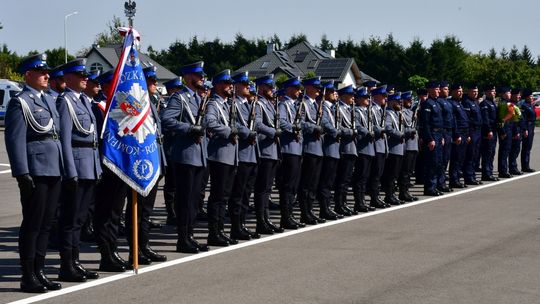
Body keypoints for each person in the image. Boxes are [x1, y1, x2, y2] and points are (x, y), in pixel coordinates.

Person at [5, 54, 63, 292]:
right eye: (41, 72)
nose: (47, 75)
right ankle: (28, 274)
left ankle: (40, 270)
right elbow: (15, 140)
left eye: (47, 72)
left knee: (47, 224)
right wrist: (21, 173)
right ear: (28, 75)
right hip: (35, 170)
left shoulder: (49, 100)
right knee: (33, 224)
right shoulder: (20, 102)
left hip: (53, 168)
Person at [55, 59, 101, 282]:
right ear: (68, 78)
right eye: (80, 76)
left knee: (80, 219)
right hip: (76, 166)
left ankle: (76, 262)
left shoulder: (84, 101)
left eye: (86, 76)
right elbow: (64, 140)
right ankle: (67, 265)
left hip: (89, 166)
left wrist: (96, 168)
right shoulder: (65, 102)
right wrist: (70, 171)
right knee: (71, 219)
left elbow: (92, 138)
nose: (85, 79)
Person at [161, 61, 209, 253]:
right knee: (185, 200)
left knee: (195, 199)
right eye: (199, 76)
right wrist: (189, 128)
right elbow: (167, 120)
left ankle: (190, 235)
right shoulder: (179, 98)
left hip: (199, 155)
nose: (202, 79)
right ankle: (183, 239)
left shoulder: (198, 98)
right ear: (189, 78)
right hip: (185, 156)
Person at [124, 65, 168, 264]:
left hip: (153, 160)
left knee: (146, 210)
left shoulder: (150, 103)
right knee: (137, 209)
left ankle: (144, 245)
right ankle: (135, 249)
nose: (154, 84)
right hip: (139, 162)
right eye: (150, 81)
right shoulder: (135, 104)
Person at [204, 69, 239, 246]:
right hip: (219, 156)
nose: (230, 87)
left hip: (230, 156)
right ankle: (214, 232)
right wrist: (228, 131)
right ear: (218, 85)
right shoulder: (214, 104)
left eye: (231, 84)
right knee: (218, 196)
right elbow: (209, 122)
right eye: (227, 84)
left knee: (225, 196)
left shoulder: (227, 104)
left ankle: (221, 230)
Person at [228, 73, 261, 239]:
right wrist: (248, 133)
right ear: (236, 86)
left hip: (251, 154)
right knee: (238, 193)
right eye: (244, 83)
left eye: (248, 83)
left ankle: (242, 224)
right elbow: (234, 124)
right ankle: (235, 226)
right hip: (240, 154)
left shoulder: (248, 105)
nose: (248, 86)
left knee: (246, 193)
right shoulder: (232, 104)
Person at [253, 74, 285, 234]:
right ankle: (261, 221)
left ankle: (266, 219)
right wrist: (273, 132)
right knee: (262, 189)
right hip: (264, 150)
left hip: (272, 150)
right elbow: (257, 124)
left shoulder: (271, 104)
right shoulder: (258, 104)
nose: (273, 90)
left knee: (267, 190)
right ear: (262, 88)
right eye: (270, 87)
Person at [297, 77, 326, 225]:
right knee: (307, 183)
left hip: (318, 147)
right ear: (308, 87)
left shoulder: (316, 104)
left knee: (313, 183)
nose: (319, 90)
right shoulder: (303, 103)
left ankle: (310, 210)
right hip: (309, 147)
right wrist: (314, 128)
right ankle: (304, 212)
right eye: (316, 87)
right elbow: (300, 122)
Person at [278, 77, 306, 227]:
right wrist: (293, 128)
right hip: (288, 149)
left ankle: (290, 214)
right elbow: (281, 122)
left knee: (293, 185)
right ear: (289, 89)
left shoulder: (295, 105)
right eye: (296, 88)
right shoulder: (284, 105)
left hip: (296, 149)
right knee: (288, 185)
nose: (299, 91)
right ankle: (286, 217)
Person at [317, 81, 345, 218]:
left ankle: (328, 207)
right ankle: (324, 208)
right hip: (327, 148)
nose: (335, 94)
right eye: (333, 92)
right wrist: (336, 132)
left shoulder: (334, 108)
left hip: (335, 148)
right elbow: (325, 123)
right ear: (326, 93)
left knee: (330, 181)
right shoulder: (322, 107)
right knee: (325, 181)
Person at [333, 85, 359, 215]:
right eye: (351, 95)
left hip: (351, 148)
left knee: (347, 179)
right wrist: (350, 132)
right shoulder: (338, 109)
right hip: (344, 147)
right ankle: (339, 204)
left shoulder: (350, 109)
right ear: (344, 96)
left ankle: (344, 203)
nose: (353, 98)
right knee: (342, 179)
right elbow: (338, 127)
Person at [351, 87, 377, 211]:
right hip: (362, 147)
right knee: (360, 177)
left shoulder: (368, 111)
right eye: (366, 98)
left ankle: (362, 201)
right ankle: (359, 202)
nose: (368, 100)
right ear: (360, 99)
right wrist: (367, 132)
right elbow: (357, 125)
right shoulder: (356, 111)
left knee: (365, 176)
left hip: (369, 147)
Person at [418, 81, 444, 196]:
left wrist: (441, 136)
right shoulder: (427, 104)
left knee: (438, 162)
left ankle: (434, 186)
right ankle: (429, 187)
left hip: (438, 135)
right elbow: (426, 124)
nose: (439, 90)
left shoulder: (436, 103)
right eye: (437, 89)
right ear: (430, 90)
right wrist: (429, 139)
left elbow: (440, 122)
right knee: (431, 163)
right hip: (432, 135)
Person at [381, 92, 405, 205]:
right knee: (391, 173)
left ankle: (392, 194)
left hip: (399, 148)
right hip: (393, 148)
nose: (399, 103)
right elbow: (388, 128)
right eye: (397, 101)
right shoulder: (388, 114)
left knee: (395, 173)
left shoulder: (397, 113)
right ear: (391, 102)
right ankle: (389, 195)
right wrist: (400, 134)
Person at [368, 85, 390, 207]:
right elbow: (372, 126)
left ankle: (376, 196)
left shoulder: (380, 109)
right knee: (375, 174)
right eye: (383, 96)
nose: (385, 99)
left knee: (379, 173)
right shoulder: (372, 109)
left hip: (382, 145)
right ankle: (374, 197)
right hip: (376, 145)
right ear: (376, 96)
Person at [398, 91, 418, 202]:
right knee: (405, 171)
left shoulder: (411, 112)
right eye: (408, 100)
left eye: (411, 100)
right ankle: (403, 192)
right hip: (407, 145)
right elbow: (401, 128)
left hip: (413, 145)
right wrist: (410, 131)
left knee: (409, 171)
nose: (410, 102)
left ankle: (406, 191)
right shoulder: (402, 113)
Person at [448, 84, 469, 188]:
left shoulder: (459, 103)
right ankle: (454, 179)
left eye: (461, 91)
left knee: (461, 158)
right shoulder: (451, 103)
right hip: (459, 133)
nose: (460, 93)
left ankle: (457, 178)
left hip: (465, 133)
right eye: (458, 91)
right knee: (456, 158)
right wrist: (456, 135)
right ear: (453, 92)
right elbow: (454, 121)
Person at [462, 84, 483, 185]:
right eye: (473, 91)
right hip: (472, 131)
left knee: (475, 154)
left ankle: (472, 175)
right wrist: (469, 134)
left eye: (477, 91)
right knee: (470, 155)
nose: (475, 93)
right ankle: (469, 176)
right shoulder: (466, 102)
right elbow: (467, 120)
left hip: (478, 131)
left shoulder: (475, 102)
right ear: (469, 92)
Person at [497, 87, 518, 178]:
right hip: (505, 130)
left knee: (507, 150)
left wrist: (514, 131)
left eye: (510, 93)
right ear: (503, 94)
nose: (510, 94)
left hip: (509, 129)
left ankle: (505, 169)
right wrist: (502, 132)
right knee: (504, 151)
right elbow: (500, 120)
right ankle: (502, 171)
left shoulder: (508, 104)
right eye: (508, 93)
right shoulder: (502, 104)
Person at [436, 81, 454, 192]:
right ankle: (439, 183)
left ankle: (442, 182)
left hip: (449, 132)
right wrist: (442, 135)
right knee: (441, 160)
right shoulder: (439, 102)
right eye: (445, 89)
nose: (447, 91)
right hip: (443, 133)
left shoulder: (447, 102)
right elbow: (440, 121)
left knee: (445, 159)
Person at [479, 85, 499, 181]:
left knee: (491, 153)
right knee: (487, 153)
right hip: (488, 132)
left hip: (494, 131)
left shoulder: (493, 103)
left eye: (494, 91)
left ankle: (489, 172)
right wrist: (488, 130)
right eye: (492, 91)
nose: (494, 93)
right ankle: (486, 174)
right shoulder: (484, 104)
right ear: (486, 92)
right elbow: (485, 119)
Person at [520, 89, 536, 172]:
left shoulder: (531, 105)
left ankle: (527, 165)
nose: (532, 97)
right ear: (526, 97)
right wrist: (525, 129)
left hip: (532, 126)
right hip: (528, 127)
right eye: (530, 96)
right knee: (526, 148)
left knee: (528, 147)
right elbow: (524, 119)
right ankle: (525, 166)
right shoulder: (524, 106)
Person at [508, 89, 523, 175]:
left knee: (516, 149)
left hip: (518, 130)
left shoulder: (517, 104)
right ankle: (512, 168)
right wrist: (516, 132)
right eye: (517, 95)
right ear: (513, 95)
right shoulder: (510, 105)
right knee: (513, 150)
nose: (519, 96)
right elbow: (513, 121)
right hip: (514, 131)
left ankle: (513, 167)